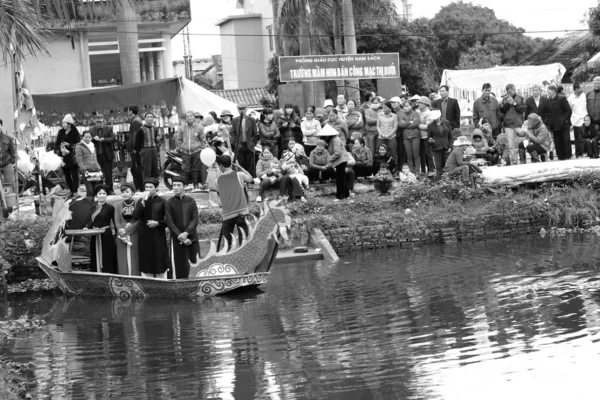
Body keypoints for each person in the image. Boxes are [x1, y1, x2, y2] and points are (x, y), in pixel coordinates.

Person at [129, 177, 168, 279]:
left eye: (151, 187)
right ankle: (147, 280)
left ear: (156, 188)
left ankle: (162, 280)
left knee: (159, 256)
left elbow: (169, 220)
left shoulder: (162, 201)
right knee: (146, 256)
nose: (148, 189)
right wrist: (141, 205)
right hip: (144, 234)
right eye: (146, 187)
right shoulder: (141, 201)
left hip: (158, 233)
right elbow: (135, 217)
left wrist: (158, 223)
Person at [215, 155, 253, 250]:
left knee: (227, 243)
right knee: (243, 241)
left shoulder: (217, 181)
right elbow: (250, 179)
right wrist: (241, 168)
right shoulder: (239, 175)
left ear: (221, 166)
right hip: (241, 212)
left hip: (227, 215)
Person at [165, 176, 200, 280]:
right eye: (174, 185)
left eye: (178, 185)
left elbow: (195, 219)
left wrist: (187, 233)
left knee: (194, 261)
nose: (176, 187)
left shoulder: (191, 201)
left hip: (192, 237)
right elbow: (169, 221)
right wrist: (180, 235)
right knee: (179, 263)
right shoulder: (169, 202)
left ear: (184, 186)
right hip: (176, 238)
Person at [88, 184, 117, 274]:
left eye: (104, 193)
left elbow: (115, 222)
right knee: (95, 253)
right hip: (94, 234)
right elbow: (91, 221)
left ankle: (108, 273)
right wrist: (87, 228)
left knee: (107, 255)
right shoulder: (93, 207)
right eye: (100, 193)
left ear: (106, 195)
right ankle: (96, 272)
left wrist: (116, 235)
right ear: (96, 195)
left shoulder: (110, 208)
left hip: (106, 235)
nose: (102, 195)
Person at [114, 182, 140, 276]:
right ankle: (123, 276)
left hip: (134, 233)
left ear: (133, 192)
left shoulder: (138, 204)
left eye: (127, 191)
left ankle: (135, 277)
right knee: (122, 257)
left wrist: (128, 230)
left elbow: (138, 220)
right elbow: (116, 220)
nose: (124, 193)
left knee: (134, 256)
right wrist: (121, 230)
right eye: (122, 192)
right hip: (121, 235)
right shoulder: (118, 205)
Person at [318, 124, 350, 201]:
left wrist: (330, 159)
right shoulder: (333, 140)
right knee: (342, 179)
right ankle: (346, 195)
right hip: (340, 161)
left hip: (341, 161)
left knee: (340, 179)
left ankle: (340, 196)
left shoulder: (336, 140)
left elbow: (337, 153)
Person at [543, 85, 572, 160]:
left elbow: (568, 111)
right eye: (547, 91)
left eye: (549, 90)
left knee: (566, 141)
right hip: (554, 125)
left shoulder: (562, 98)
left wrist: (564, 120)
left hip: (564, 124)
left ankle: (568, 157)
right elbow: (547, 113)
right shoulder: (548, 101)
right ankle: (561, 157)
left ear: (554, 91)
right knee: (557, 142)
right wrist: (549, 122)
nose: (548, 92)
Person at [177, 110, 205, 190]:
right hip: (185, 152)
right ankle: (184, 185)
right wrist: (180, 147)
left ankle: (195, 185)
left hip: (196, 151)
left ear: (194, 117)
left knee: (196, 169)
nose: (189, 117)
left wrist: (202, 148)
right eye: (187, 116)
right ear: (186, 118)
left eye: (191, 116)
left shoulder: (199, 127)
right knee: (185, 169)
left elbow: (202, 139)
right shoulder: (181, 127)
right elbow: (179, 139)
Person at [55, 114, 81, 197]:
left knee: (74, 175)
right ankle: (71, 190)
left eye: (64, 123)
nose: (63, 125)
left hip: (72, 156)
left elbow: (78, 144)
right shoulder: (60, 132)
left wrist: (69, 145)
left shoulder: (75, 132)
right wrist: (61, 147)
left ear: (69, 124)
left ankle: (75, 191)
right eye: (62, 123)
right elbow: (56, 144)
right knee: (66, 175)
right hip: (63, 156)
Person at [90, 114, 116, 194]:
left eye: (100, 122)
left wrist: (104, 139)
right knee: (98, 174)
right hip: (96, 156)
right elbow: (87, 140)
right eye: (97, 122)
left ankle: (110, 190)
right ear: (95, 122)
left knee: (108, 174)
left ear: (103, 121)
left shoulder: (109, 128)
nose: (99, 124)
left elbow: (114, 138)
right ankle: (100, 190)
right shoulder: (91, 130)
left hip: (106, 155)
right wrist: (93, 139)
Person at [231, 102, 259, 176]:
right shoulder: (235, 120)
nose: (241, 110)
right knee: (240, 163)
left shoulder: (251, 119)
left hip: (249, 145)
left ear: (246, 109)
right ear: (237, 110)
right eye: (240, 109)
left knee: (250, 164)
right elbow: (233, 133)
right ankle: (242, 179)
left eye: (243, 109)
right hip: (239, 145)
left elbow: (255, 133)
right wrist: (234, 143)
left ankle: (251, 180)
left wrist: (253, 143)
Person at [75, 131, 103, 199]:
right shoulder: (79, 146)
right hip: (86, 170)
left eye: (89, 137)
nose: (88, 138)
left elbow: (95, 158)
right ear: (83, 137)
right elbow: (79, 159)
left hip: (95, 170)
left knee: (95, 190)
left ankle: (94, 205)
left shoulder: (92, 145)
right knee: (89, 190)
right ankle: (89, 205)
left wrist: (99, 168)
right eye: (86, 137)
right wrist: (84, 170)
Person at [134, 112, 160, 180]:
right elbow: (137, 142)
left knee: (155, 168)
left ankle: (155, 185)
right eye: (148, 117)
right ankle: (147, 185)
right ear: (145, 119)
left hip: (154, 149)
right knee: (147, 169)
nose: (149, 118)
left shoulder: (155, 129)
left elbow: (155, 139)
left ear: (153, 119)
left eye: (151, 117)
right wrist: (138, 152)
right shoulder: (141, 130)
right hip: (145, 150)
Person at [500, 83, 527, 149]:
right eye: (508, 91)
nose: (510, 92)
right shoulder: (504, 99)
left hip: (518, 124)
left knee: (521, 143)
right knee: (511, 145)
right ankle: (514, 159)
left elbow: (523, 109)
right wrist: (507, 104)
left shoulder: (520, 98)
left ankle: (522, 158)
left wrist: (514, 103)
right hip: (508, 125)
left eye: (512, 90)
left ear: (514, 89)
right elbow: (502, 111)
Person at [427, 111, 453, 179]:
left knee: (447, 164)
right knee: (438, 166)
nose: (435, 119)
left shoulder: (446, 123)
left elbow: (450, 136)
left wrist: (450, 146)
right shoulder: (430, 125)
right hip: (436, 147)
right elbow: (429, 137)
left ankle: (447, 179)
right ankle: (439, 180)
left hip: (446, 147)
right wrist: (430, 141)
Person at [398, 100, 421, 174]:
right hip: (406, 137)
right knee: (409, 155)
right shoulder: (401, 114)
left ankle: (417, 171)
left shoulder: (415, 113)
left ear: (411, 106)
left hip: (415, 136)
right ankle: (410, 171)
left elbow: (416, 123)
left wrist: (405, 124)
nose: (406, 108)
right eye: (404, 106)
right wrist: (409, 122)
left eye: (407, 106)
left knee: (416, 155)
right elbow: (400, 125)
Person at [127, 105, 144, 191]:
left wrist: (134, 149)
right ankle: (139, 187)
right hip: (136, 149)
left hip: (136, 150)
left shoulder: (136, 121)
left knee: (136, 169)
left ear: (130, 111)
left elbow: (135, 136)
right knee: (135, 169)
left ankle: (139, 188)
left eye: (128, 111)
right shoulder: (135, 120)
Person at [417, 96, 435, 175]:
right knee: (422, 155)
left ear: (426, 104)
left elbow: (428, 126)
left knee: (428, 153)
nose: (419, 104)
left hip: (426, 136)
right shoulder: (419, 112)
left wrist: (417, 125)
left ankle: (431, 170)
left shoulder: (428, 113)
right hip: (419, 136)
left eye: (421, 103)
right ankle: (423, 171)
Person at [568, 82, 587, 158]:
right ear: (576, 89)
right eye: (581, 88)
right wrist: (571, 123)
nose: (582, 89)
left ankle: (586, 152)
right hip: (576, 121)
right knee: (577, 139)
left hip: (585, 120)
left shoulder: (584, 96)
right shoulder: (570, 99)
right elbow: (569, 111)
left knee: (585, 138)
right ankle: (578, 154)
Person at [0, 119, 16, 193]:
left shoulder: (8, 138)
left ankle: (10, 203)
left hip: (6, 164)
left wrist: (12, 162)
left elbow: (12, 152)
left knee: (10, 184)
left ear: (1, 126)